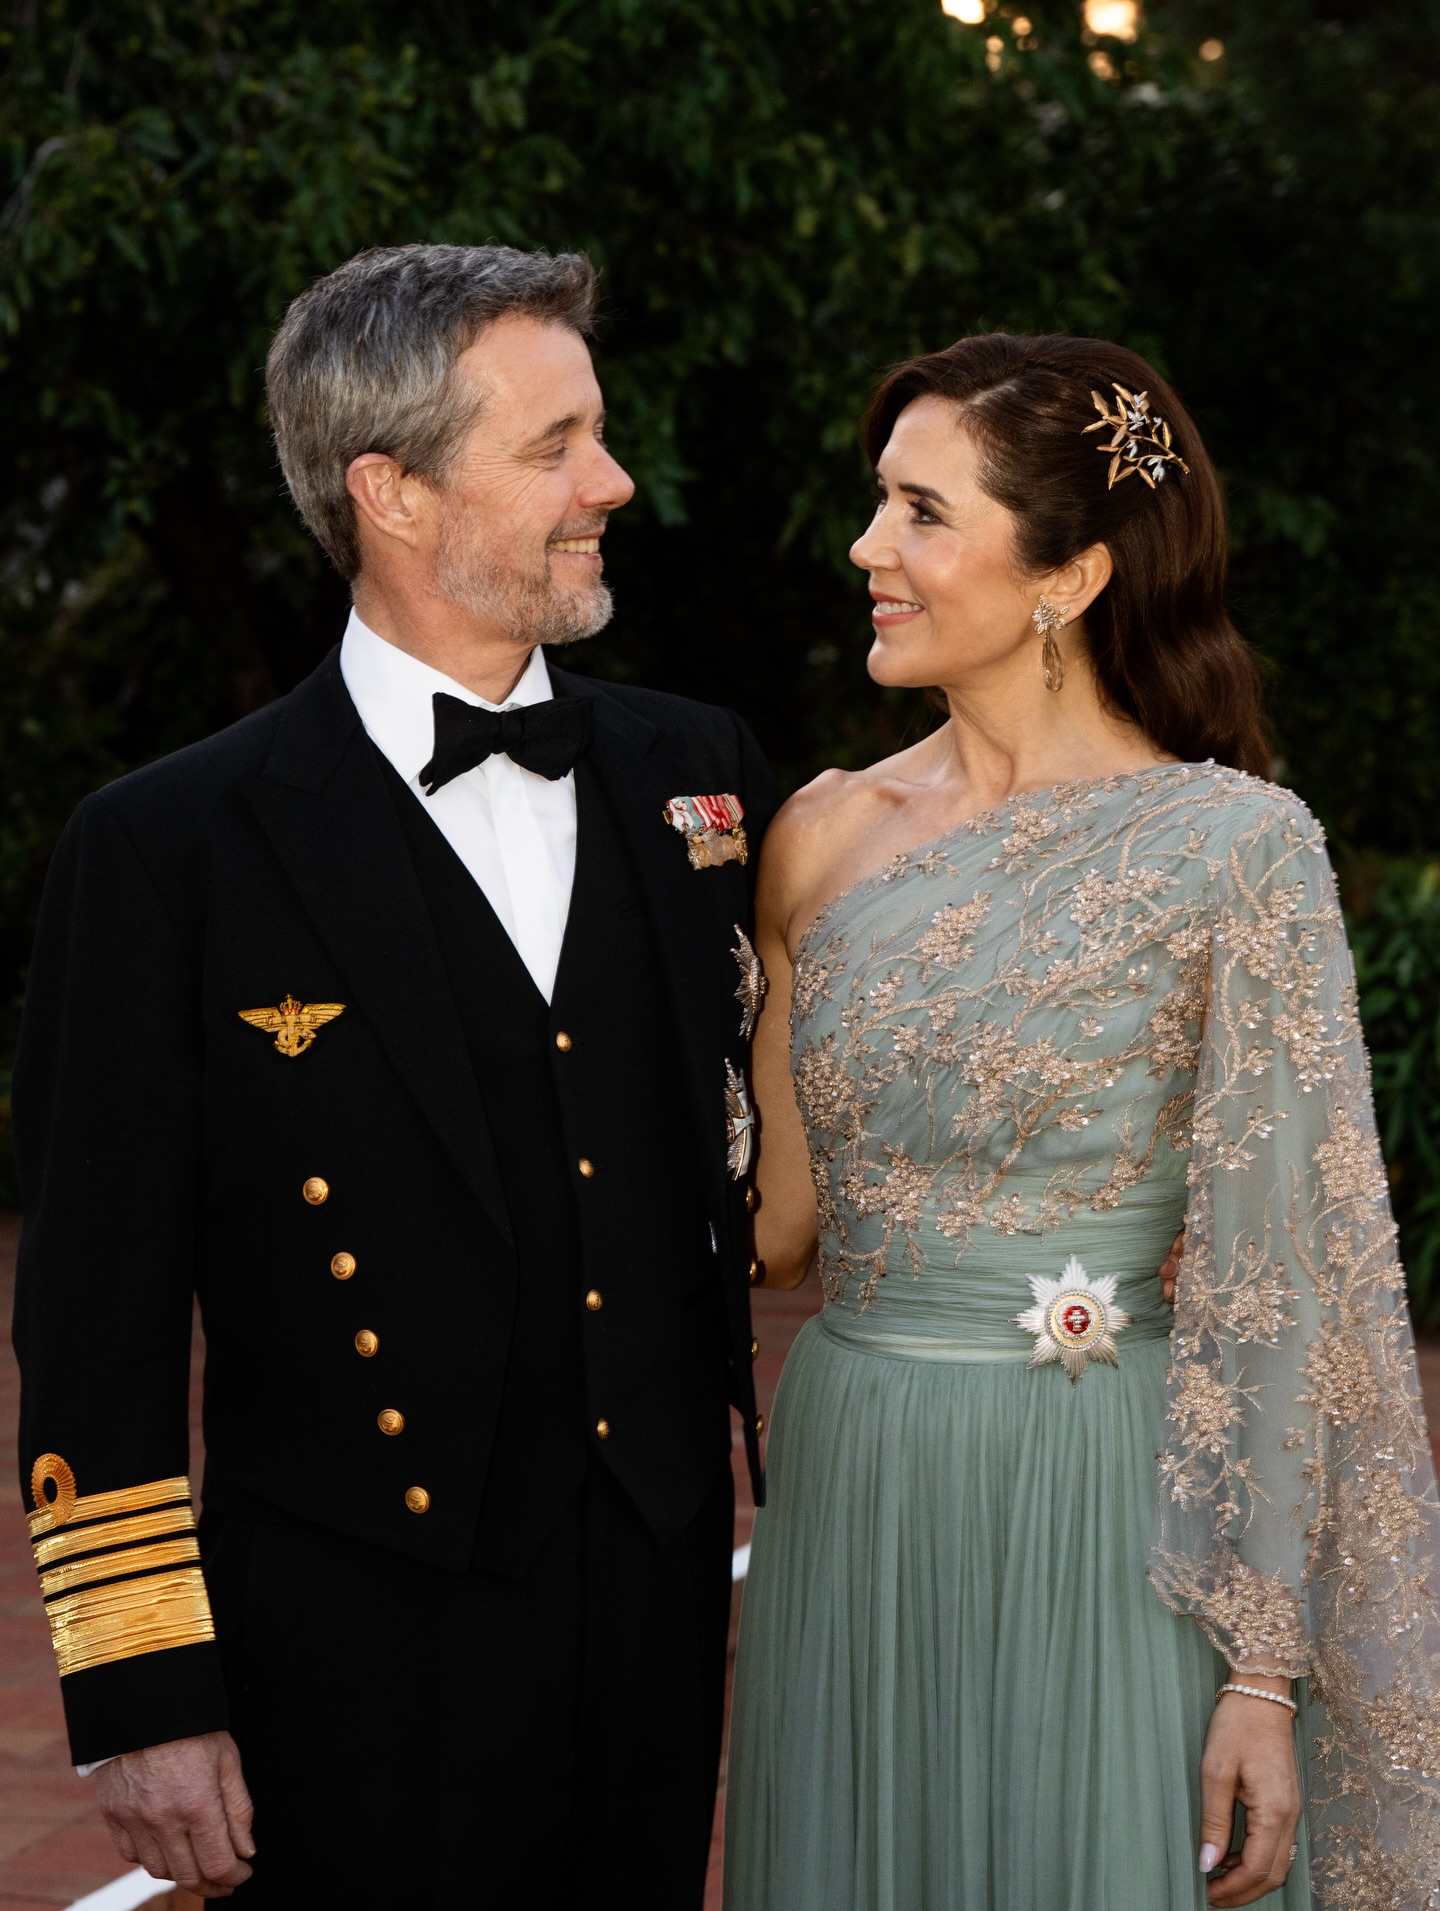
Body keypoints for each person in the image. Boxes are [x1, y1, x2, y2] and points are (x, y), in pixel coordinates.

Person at [13, 243, 776, 1906]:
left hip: (652, 1603)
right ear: (394, 490)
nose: (612, 481)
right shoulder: (168, 851)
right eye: (555, 443)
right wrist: (140, 1693)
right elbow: (94, 1322)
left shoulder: (690, 771)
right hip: (349, 1633)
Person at [725, 334, 1440, 1910]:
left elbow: (1292, 1282)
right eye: (876, 505)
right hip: (855, 1475)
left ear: (1071, 575)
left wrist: (1265, 1672)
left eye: (922, 513)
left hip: (1107, 1501)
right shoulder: (818, 833)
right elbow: (773, 1233)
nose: (867, 550)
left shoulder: (1236, 852)